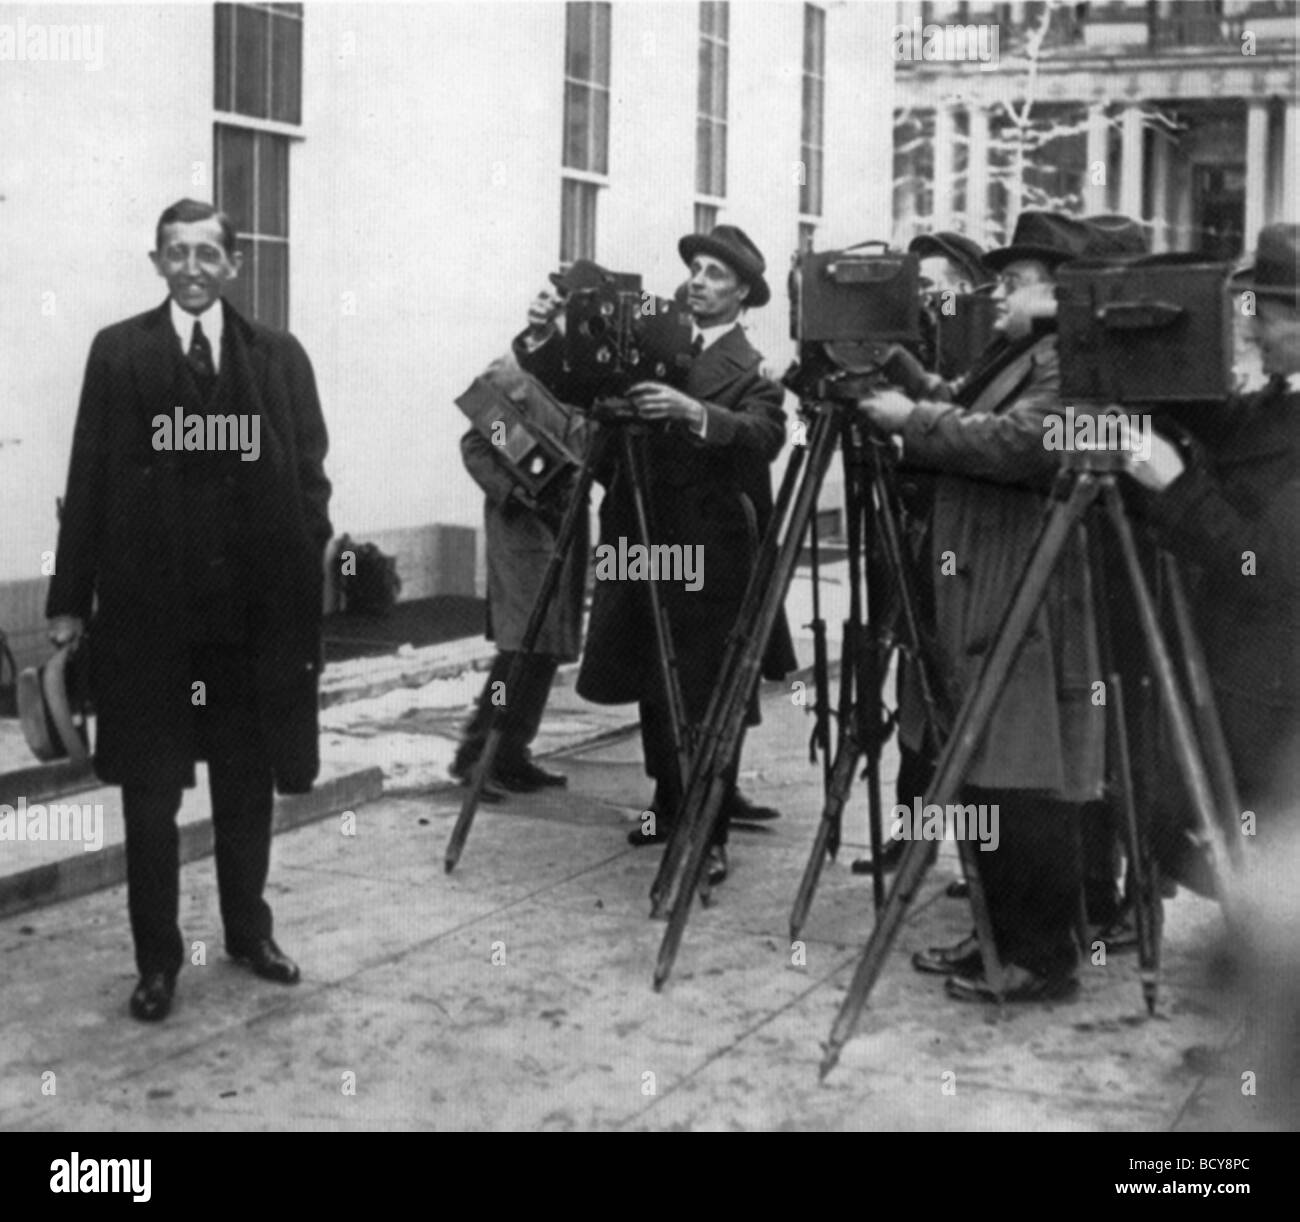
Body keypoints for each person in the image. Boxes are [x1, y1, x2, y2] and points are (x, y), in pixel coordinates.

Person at [46, 198, 332, 1022]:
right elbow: (89, 476)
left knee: (246, 784)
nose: (193, 270)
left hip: (246, 625)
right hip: (150, 621)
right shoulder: (120, 353)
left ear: (233, 264)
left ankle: (249, 933)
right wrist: (69, 604)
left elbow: (312, 470)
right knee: (150, 794)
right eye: (177, 255)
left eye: (208, 255)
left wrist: (301, 546)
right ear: (157, 263)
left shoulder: (277, 358)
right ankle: (157, 962)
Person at [859, 211, 1135, 1003]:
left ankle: (1039, 957)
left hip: (1022, 578)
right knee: (983, 767)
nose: (999, 295)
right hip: (982, 571)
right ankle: (997, 935)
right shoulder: (1020, 351)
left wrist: (912, 421)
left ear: (1059, 293)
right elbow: (966, 407)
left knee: (1021, 774)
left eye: (1014, 283)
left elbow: (1024, 444)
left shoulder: (1066, 359)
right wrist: (904, 373)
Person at [576, 224, 797, 884]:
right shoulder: (653, 342)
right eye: (695, 269)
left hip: (709, 551)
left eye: (716, 274)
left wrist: (691, 411)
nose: (698, 280)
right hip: (642, 537)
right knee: (652, 674)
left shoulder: (753, 367)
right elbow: (579, 381)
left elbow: (765, 434)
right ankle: (668, 807)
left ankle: (709, 829)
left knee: (704, 689)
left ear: (743, 296)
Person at [1131, 222, 1300, 875]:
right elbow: (1233, 426)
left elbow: (1263, 561)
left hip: (1273, 696)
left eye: (1269, 316)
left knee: (1259, 869)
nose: (1252, 330)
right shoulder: (1278, 400)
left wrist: (1174, 485)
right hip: (1241, 674)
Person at [450, 262, 604, 797]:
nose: (547, 307)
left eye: (560, 304)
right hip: (520, 529)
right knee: (520, 644)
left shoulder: (579, 374)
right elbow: (476, 447)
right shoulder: (507, 376)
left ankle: (513, 753)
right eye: (544, 297)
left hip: (566, 521)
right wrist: (514, 493)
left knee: (548, 644)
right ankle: (476, 756)